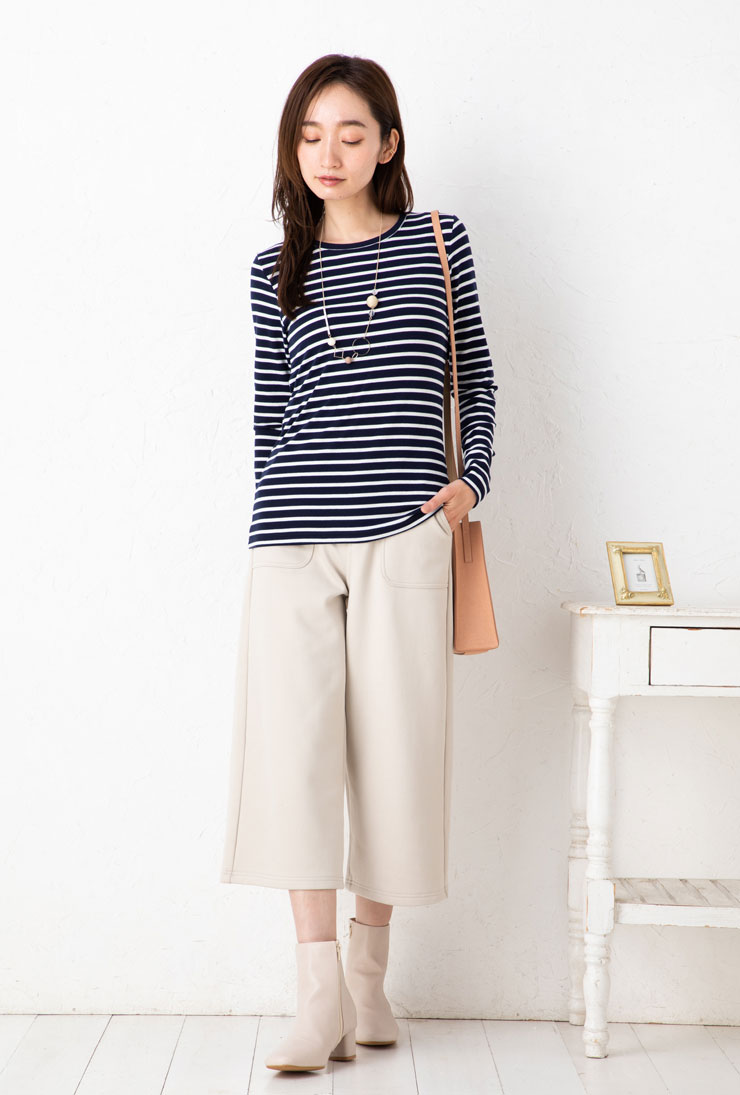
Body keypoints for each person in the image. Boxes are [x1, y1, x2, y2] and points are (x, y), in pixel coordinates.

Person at [219, 52, 497, 1073]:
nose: (327, 153)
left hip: (403, 535)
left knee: (393, 754)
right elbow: (269, 415)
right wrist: (270, 523)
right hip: (293, 541)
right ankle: (318, 992)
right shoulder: (273, 270)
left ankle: (370, 982)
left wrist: (469, 483)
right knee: (291, 760)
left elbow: (477, 373)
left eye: (348, 133)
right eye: (309, 134)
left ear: (388, 143)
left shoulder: (438, 241)